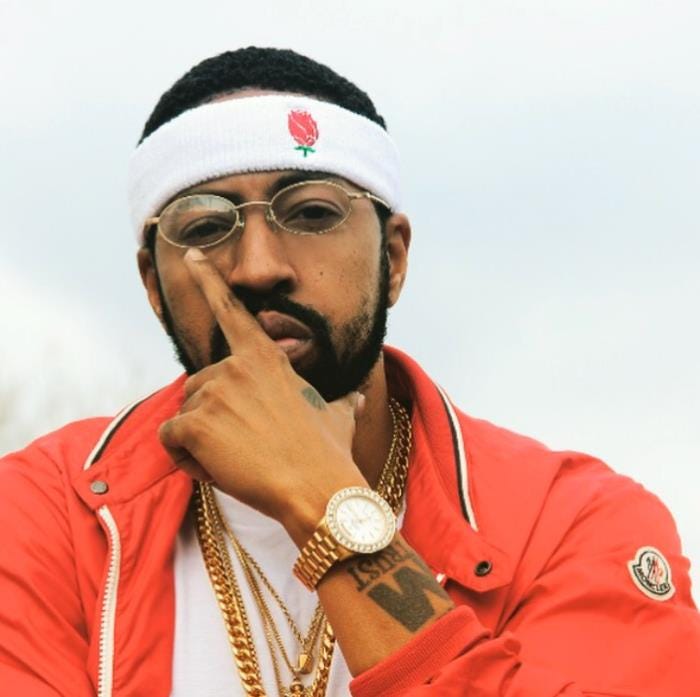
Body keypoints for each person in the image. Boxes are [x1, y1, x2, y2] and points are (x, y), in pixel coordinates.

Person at [0, 46, 698, 697]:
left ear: (393, 258)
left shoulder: (568, 524)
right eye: (206, 227)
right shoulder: (41, 517)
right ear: (154, 283)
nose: (258, 268)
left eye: (310, 213)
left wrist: (322, 498)